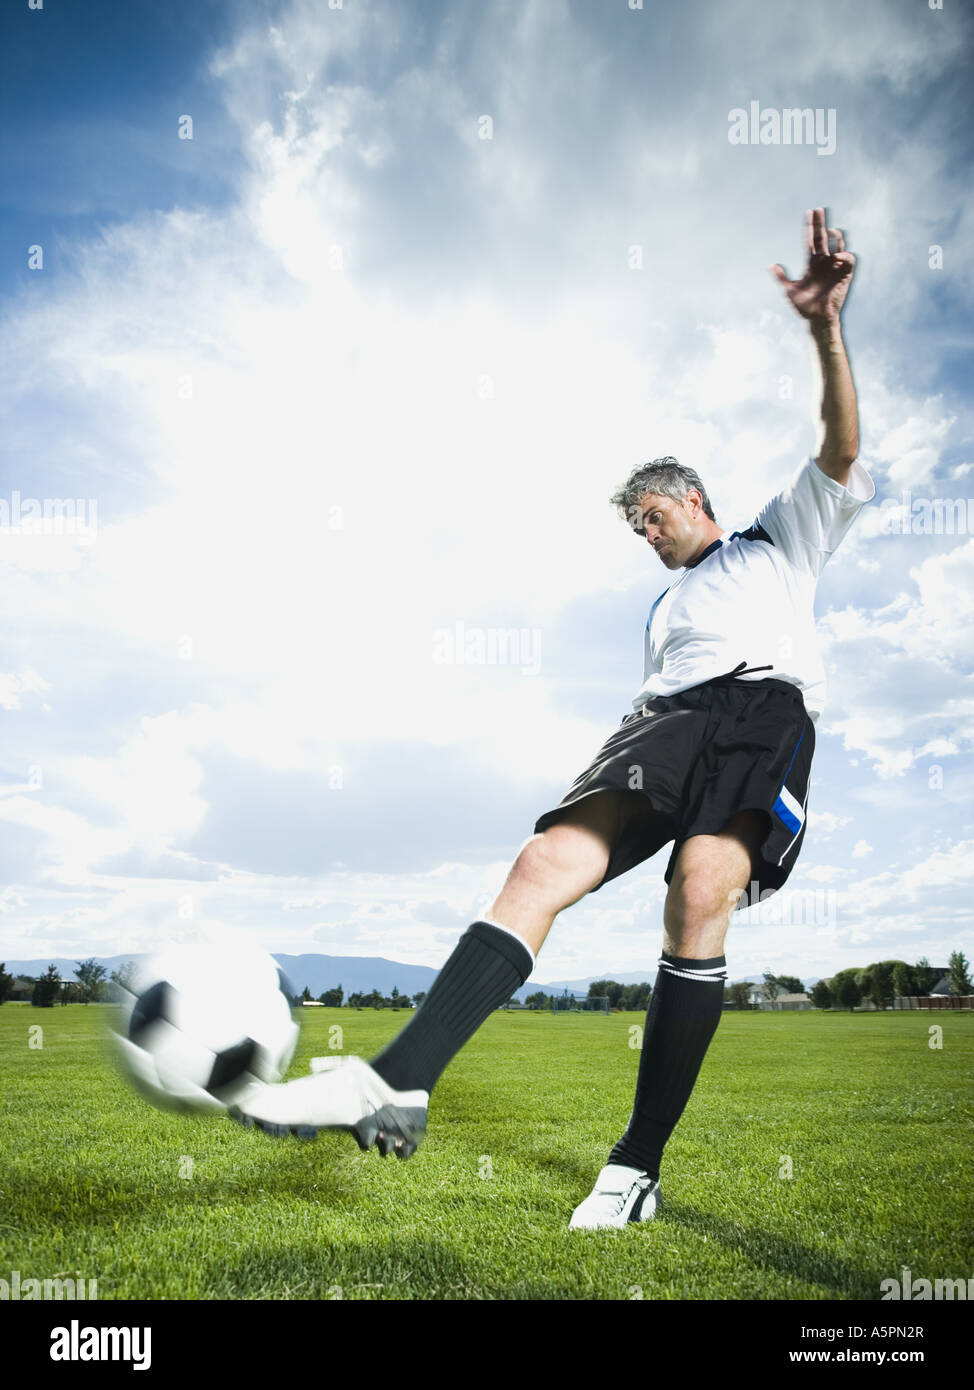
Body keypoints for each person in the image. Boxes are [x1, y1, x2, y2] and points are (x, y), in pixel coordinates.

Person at [232, 207, 874, 1230]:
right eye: (634, 527)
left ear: (693, 499)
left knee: (700, 887)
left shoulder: (777, 540)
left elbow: (840, 444)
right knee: (538, 868)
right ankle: (399, 1077)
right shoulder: (663, 611)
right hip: (663, 719)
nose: (644, 534)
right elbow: (658, 694)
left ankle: (633, 1166)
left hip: (762, 713)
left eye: (651, 518)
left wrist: (823, 328)